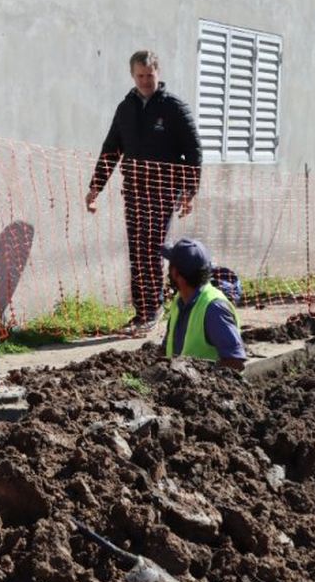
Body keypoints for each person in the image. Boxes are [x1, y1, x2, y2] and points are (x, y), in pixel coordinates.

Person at [87, 50, 202, 333]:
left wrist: (189, 191)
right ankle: (143, 312)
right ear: (132, 76)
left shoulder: (174, 108)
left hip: (163, 190)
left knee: (150, 248)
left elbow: (193, 151)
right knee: (137, 251)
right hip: (135, 190)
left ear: (157, 74)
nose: (145, 81)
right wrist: (95, 187)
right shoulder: (125, 109)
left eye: (149, 75)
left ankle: (153, 309)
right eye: (140, 76)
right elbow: (111, 149)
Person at [160, 239, 247, 369]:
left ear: (176, 273)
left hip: (206, 387)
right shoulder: (180, 301)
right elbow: (167, 348)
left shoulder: (214, 309)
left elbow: (235, 362)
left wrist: (202, 379)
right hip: (178, 385)